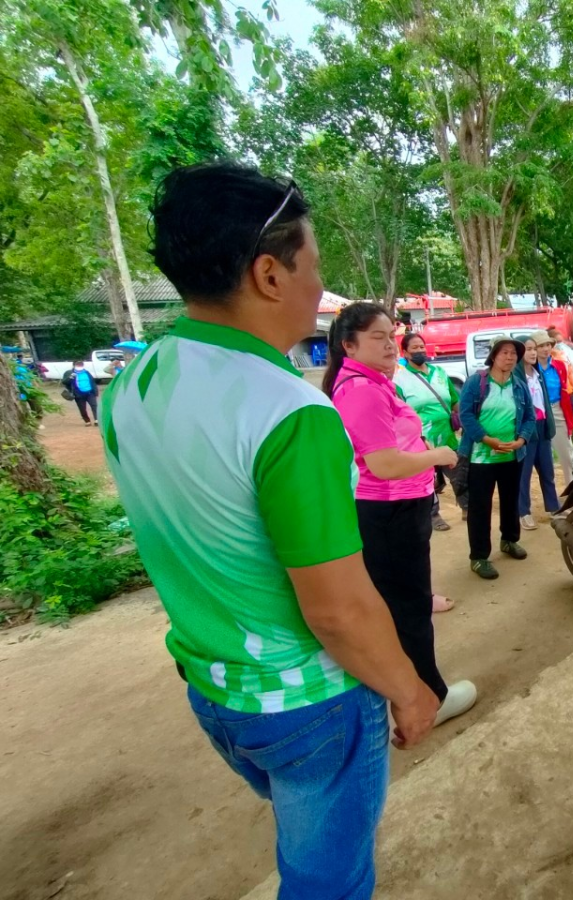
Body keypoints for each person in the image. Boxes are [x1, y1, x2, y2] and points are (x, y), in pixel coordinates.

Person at [102, 162, 439, 899]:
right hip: (307, 701)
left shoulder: (134, 384)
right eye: (316, 266)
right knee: (328, 883)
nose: (322, 290)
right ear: (269, 274)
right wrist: (409, 692)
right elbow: (338, 609)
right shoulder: (289, 411)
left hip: (212, 688)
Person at [325, 303, 477, 725]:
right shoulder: (362, 389)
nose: (390, 344)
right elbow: (384, 463)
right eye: (378, 336)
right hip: (389, 510)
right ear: (348, 344)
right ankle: (430, 698)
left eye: (391, 334)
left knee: (403, 603)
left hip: (396, 507)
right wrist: (437, 455)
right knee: (408, 611)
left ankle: (408, 691)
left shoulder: (370, 381)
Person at [459, 336, 536, 580]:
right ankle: (479, 557)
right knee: (480, 507)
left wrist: (522, 439)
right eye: (504, 353)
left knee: (510, 500)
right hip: (481, 457)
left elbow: (530, 418)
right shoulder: (477, 383)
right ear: (493, 356)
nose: (510, 357)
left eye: (514, 353)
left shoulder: (518, 384)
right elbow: (466, 416)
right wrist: (487, 440)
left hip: (513, 455)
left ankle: (509, 540)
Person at [394, 332, 466, 530]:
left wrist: (466, 419)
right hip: (421, 439)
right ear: (405, 352)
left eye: (422, 347)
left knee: (458, 472)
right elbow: (400, 412)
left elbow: (454, 401)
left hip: (447, 435)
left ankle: (467, 507)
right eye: (415, 348)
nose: (420, 351)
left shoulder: (440, 373)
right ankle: (434, 515)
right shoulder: (400, 380)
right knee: (428, 477)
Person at [518, 336, 563, 530]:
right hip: (526, 432)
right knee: (524, 474)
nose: (533, 352)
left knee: (547, 470)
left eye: (534, 348)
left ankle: (554, 507)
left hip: (543, 427)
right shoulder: (516, 377)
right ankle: (523, 512)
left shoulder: (538, 374)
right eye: (528, 349)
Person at [532, 329, 573, 488]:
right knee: (538, 458)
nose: (545, 349)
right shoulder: (529, 368)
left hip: (556, 410)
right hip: (536, 413)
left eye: (548, 345)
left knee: (567, 453)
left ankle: (572, 490)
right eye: (541, 346)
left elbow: (565, 392)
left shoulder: (559, 366)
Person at [62, 361, 99, 426]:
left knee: (94, 406)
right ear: (74, 366)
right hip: (78, 393)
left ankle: (97, 420)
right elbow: (64, 382)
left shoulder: (86, 372)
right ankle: (87, 421)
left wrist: (95, 391)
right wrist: (70, 377)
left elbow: (92, 382)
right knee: (82, 408)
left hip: (90, 392)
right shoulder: (70, 373)